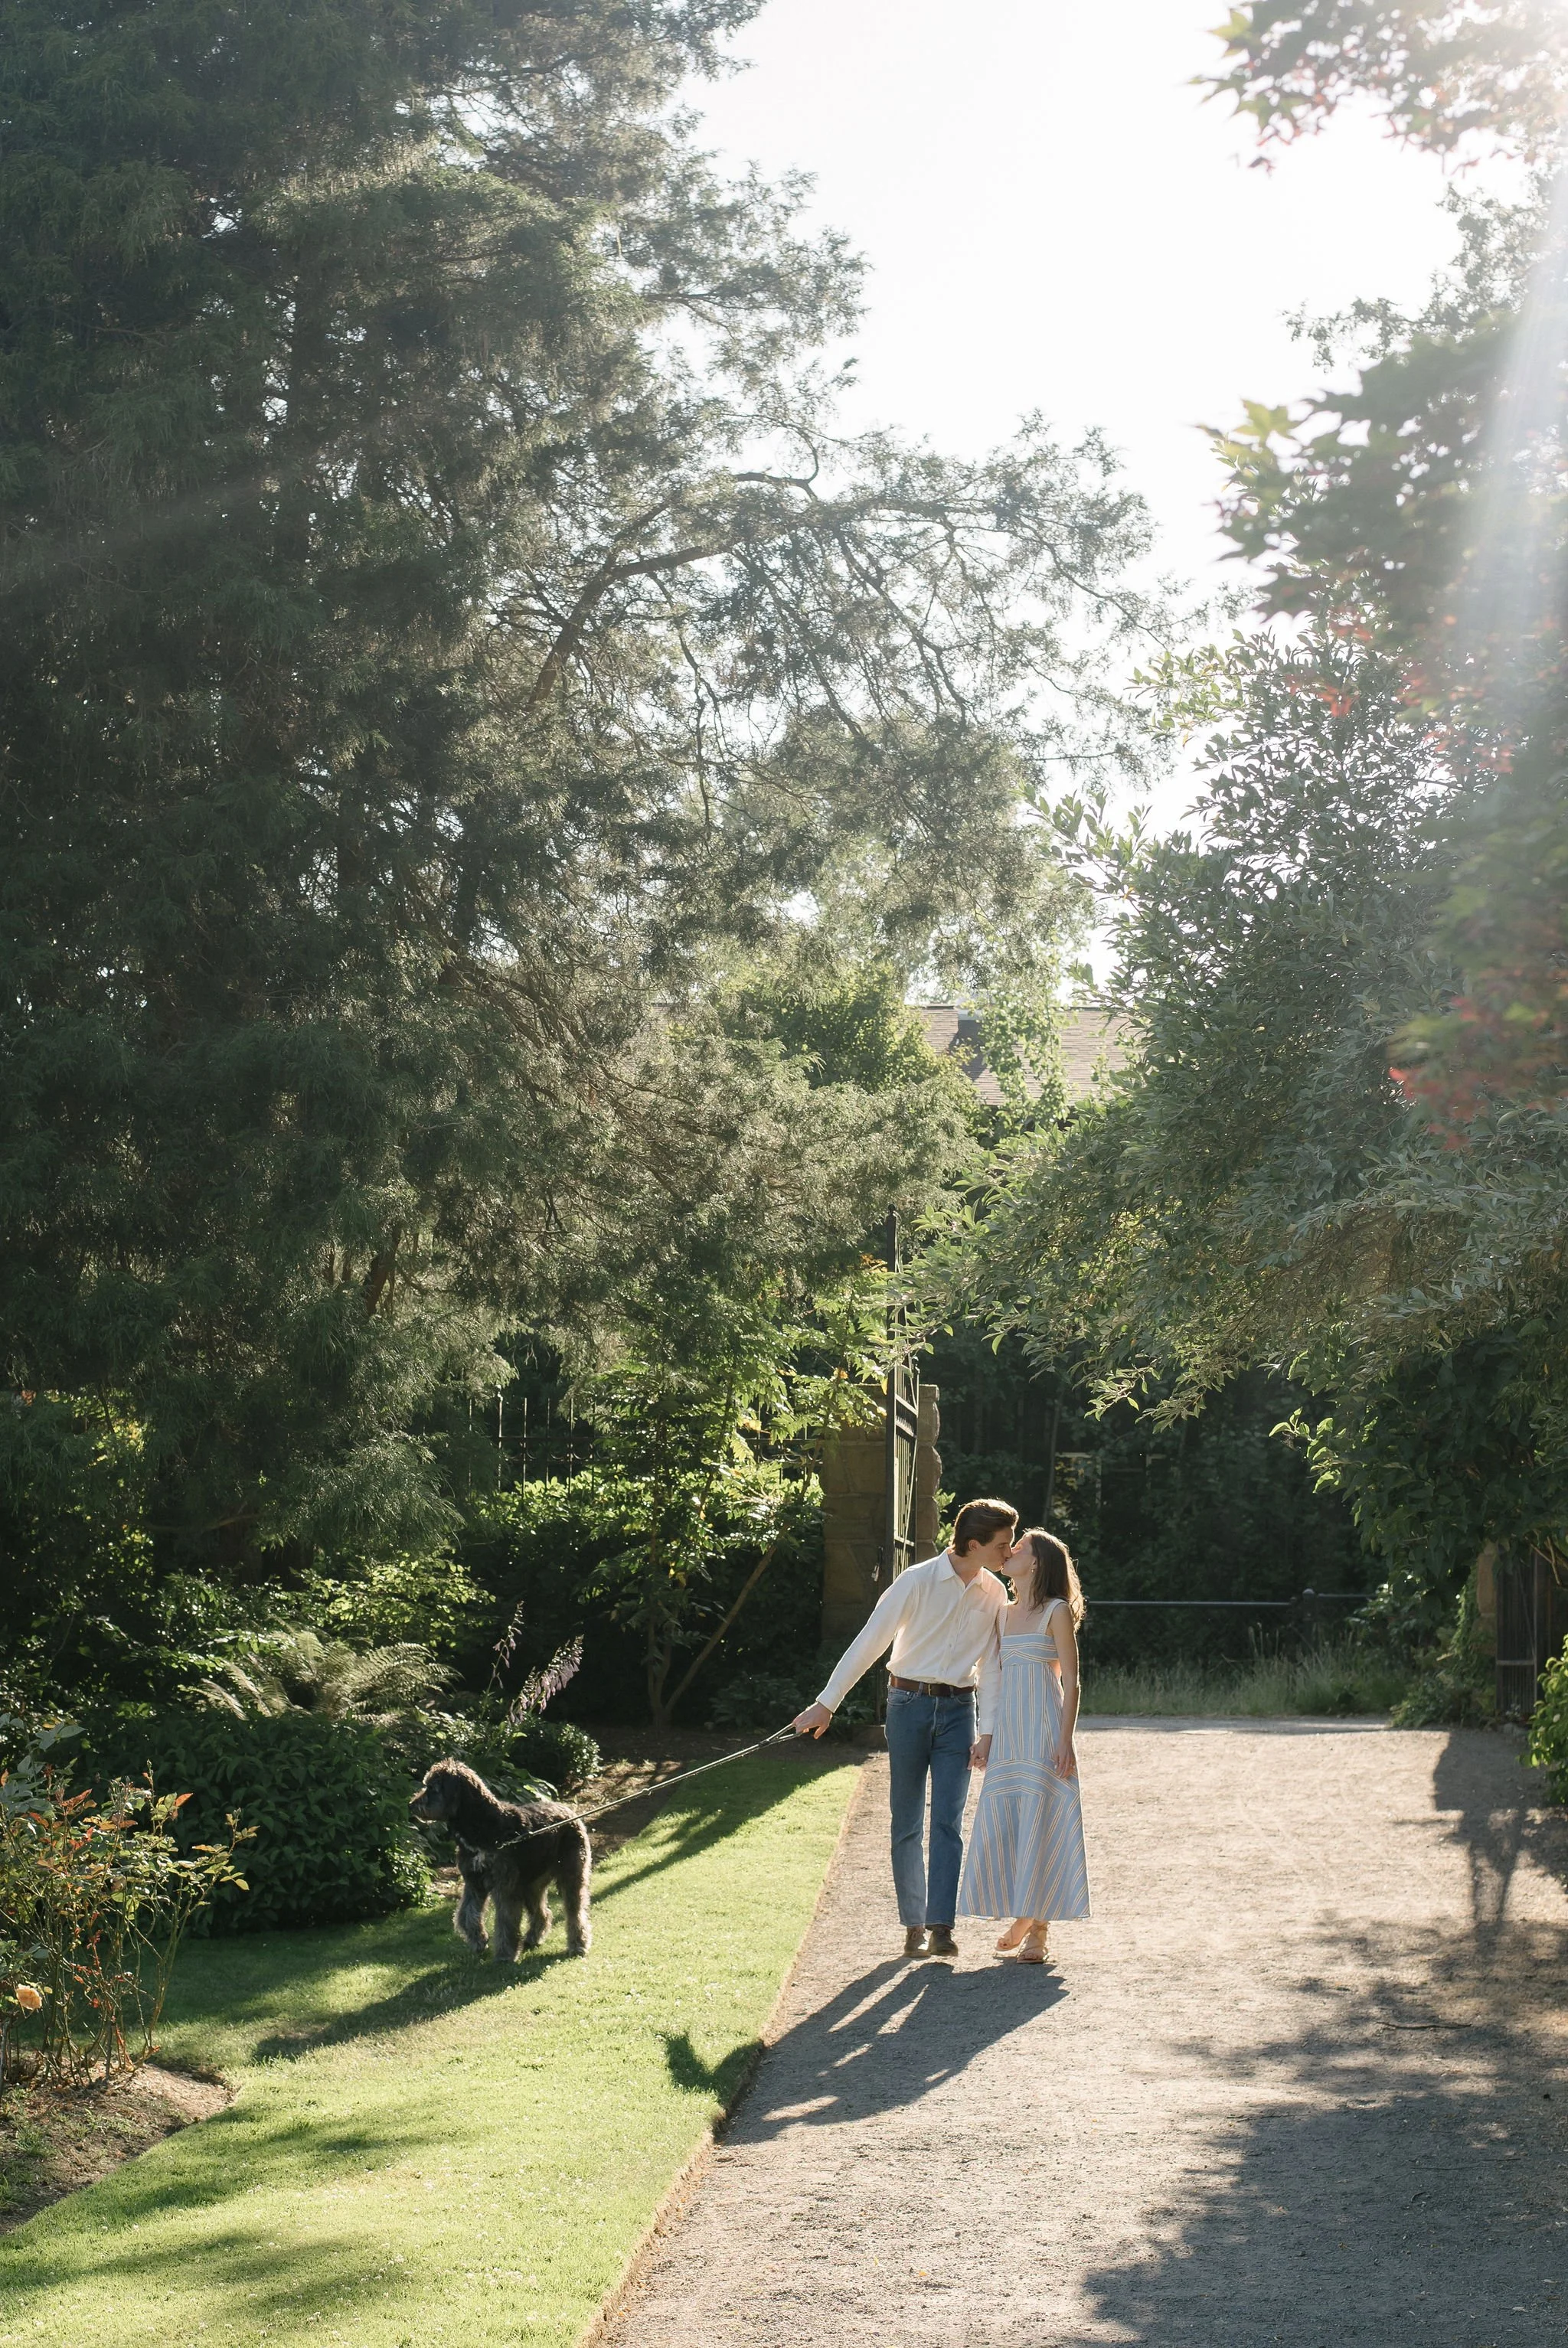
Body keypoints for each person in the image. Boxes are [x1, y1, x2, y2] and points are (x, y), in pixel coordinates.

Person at [793, 1497, 1016, 1959]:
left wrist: (989, 1731)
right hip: (908, 1706)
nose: (1009, 1551)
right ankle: (913, 1922)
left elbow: (991, 1667)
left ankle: (941, 1927)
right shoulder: (915, 1582)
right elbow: (869, 1641)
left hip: (960, 1710)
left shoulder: (995, 1593)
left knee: (949, 1822)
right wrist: (825, 1704)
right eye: (1002, 1543)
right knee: (907, 1819)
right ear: (973, 1544)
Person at [958, 1526, 1091, 1966]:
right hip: (1010, 1732)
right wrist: (988, 1735)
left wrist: (1065, 1739)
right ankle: (1026, 1913)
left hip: (1043, 1728)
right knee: (1012, 1823)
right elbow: (991, 1677)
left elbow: (1071, 1681)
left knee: (1043, 1819)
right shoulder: (1002, 1613)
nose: (1010, 1551)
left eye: (1019, 1547)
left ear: (1035, 1562)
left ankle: (1036, 1930)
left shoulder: (1055, 1611)